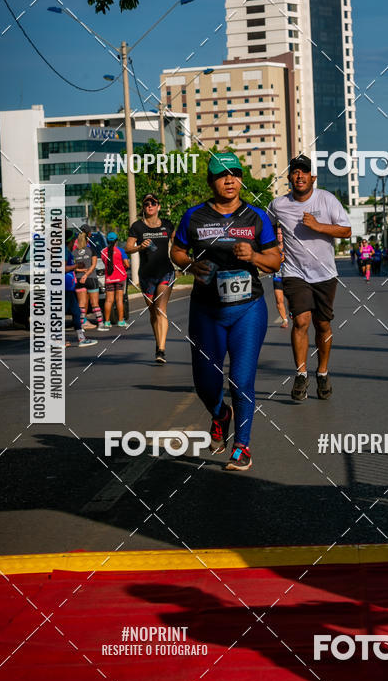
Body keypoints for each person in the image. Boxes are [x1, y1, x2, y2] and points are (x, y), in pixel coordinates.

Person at [171, 153, 281, 471]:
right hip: (206, 310)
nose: (230, 179)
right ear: (211, 181)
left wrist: (255, 256)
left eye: (235, 173)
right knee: (206, 382)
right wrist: (190, 264)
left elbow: (275, 260)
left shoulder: (256, 216)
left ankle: (242, 447)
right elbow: (177, 250)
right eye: (222, 174)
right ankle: (220, 414)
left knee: (241, 379)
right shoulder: (194, 217)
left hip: (248, 308)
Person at [269, 154, 352, 402]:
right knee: (301, 321)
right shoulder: (278, 205)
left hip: (325, 274)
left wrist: (319, 226)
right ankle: (301, 374)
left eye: (304, 172)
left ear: (312, 177)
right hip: (295, 272)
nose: (299, 176)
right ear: (289, 178)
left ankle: (323, 372)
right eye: (295, 172)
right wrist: (272, 250)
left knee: (323, 325)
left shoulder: (327, 199)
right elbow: (265, 227)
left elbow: (346, 230)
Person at [126, 193, 175, 363]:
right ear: (143, 207)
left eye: (153, 203)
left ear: (158, 206)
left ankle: (161, 350)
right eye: (147, 203)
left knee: (161, 309)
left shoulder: (168, 225)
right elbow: (127, 248)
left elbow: (178, 245)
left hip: (166, 272)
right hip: (146, 275)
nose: (150, 206)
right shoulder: (137, 227)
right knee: (153, 312)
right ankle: (158, 343)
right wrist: (139, 246)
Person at [65, 245, 97, 348]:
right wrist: (76, 266)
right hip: (63, 287)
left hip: (69, 287)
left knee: (76, 312)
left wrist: (76, 268)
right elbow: (62, 268)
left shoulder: (67, 250)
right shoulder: (63, 250)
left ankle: (81, 338)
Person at [72, 225, 102, 328]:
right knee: (95, 303)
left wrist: (81, 271)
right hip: (91, 278)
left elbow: (72, 267)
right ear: (88, 235)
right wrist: (86, 274)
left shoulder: (74, 252)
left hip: (79, 279)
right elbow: (93, 265)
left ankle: (81, 324)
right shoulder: (91, 249)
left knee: (81, 304)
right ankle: (101, 324)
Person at [99, 232, 130, 330]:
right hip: (120, 277)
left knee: (108, 300)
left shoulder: (103, 252)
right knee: (119, 300)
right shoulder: (120, 250)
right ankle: (121, 321)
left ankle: (107, 322)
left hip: (109, 278)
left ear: (107, 241)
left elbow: (106, 263)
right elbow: (127, 265)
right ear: (116, 241)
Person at [272, 226, 288, 329]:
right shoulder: (273, 248)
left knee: (292, 300)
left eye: (281, 234)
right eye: (278, 234)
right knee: (279, 300)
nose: (279, 236)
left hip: (289, 276)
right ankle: (284, 320)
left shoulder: (289, 246)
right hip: (277, 276)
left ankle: (293, 314)